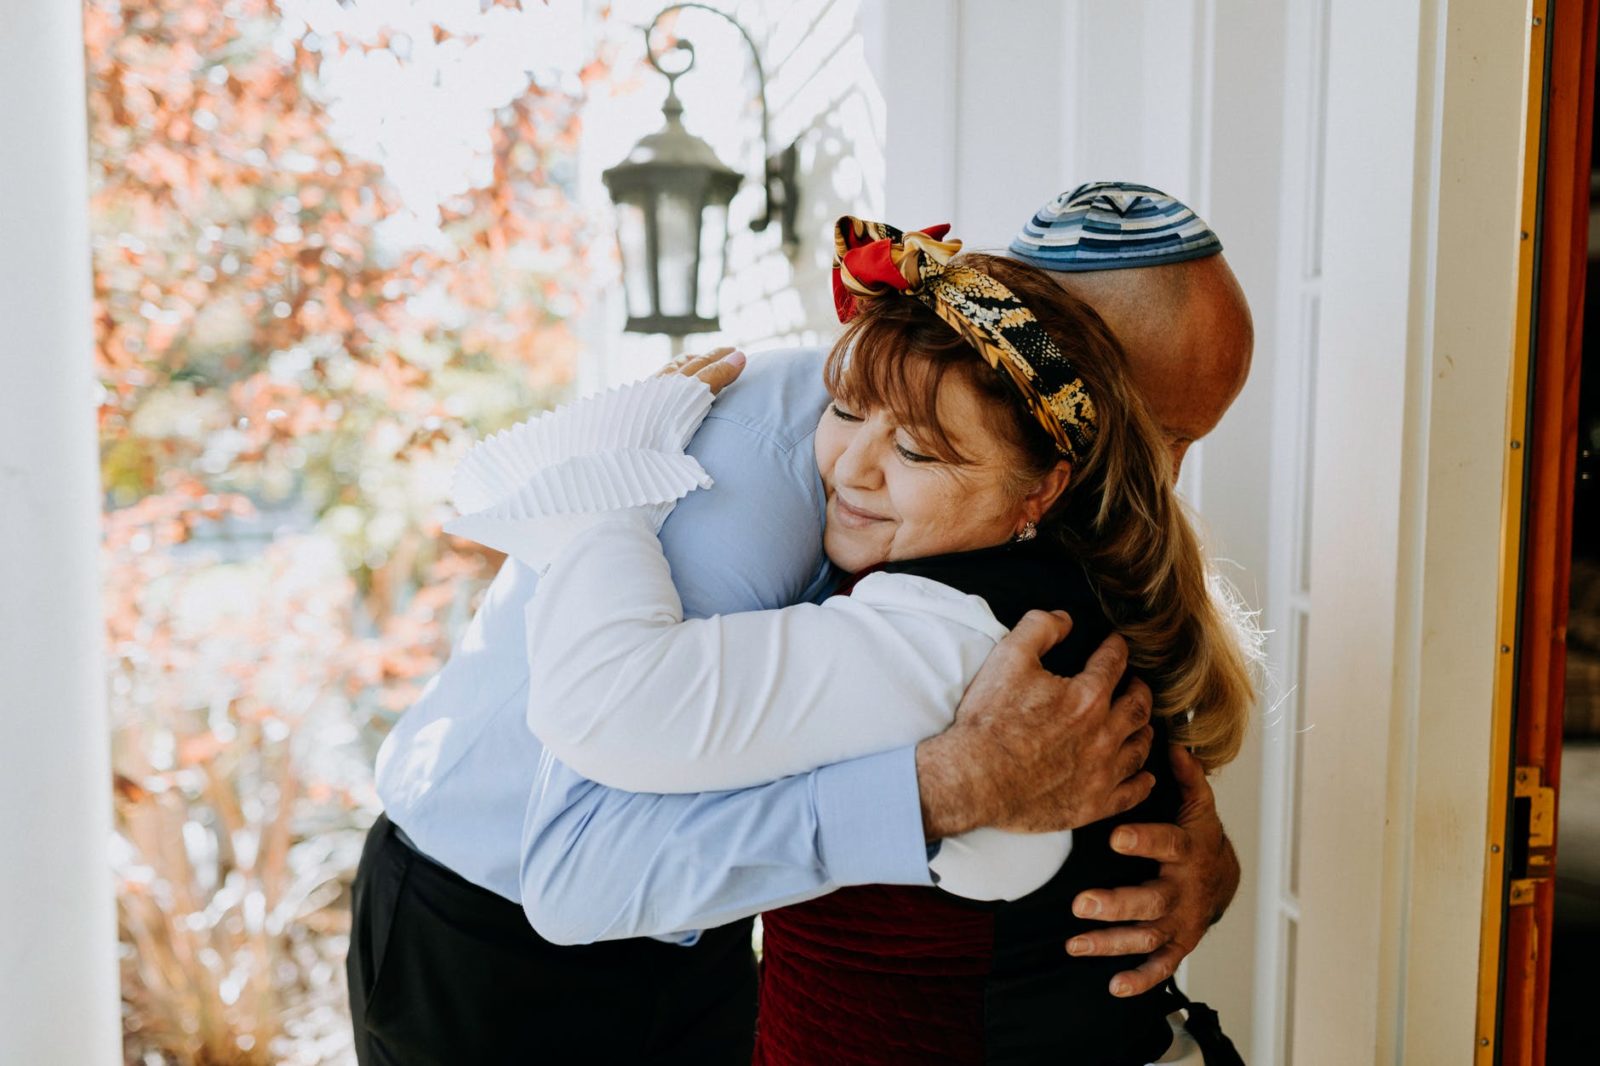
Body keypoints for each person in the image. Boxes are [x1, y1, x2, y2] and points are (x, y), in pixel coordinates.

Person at [348, 183, 1252, 1064]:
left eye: (1192, 443)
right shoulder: (770, 471)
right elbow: (582, 860)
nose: (1162, 478)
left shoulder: (1021, 521)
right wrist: (940, 791)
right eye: (1145, 427)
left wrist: (1192, 858)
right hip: (485, 936)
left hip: (706, 934)